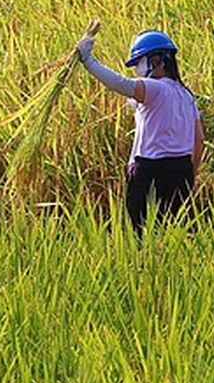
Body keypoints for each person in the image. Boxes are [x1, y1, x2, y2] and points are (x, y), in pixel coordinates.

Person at [75, 28, 204, 235]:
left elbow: (118, 83)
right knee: (173, 233)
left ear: (156, 60)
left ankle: (142, 267)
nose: (138, 70)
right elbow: (198, 141)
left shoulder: (155, 88)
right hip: (181, 170)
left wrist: (88, 60)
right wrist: (190, 175)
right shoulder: (186, 95)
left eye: (139, 63)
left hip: (151, 172)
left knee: (139, 234)